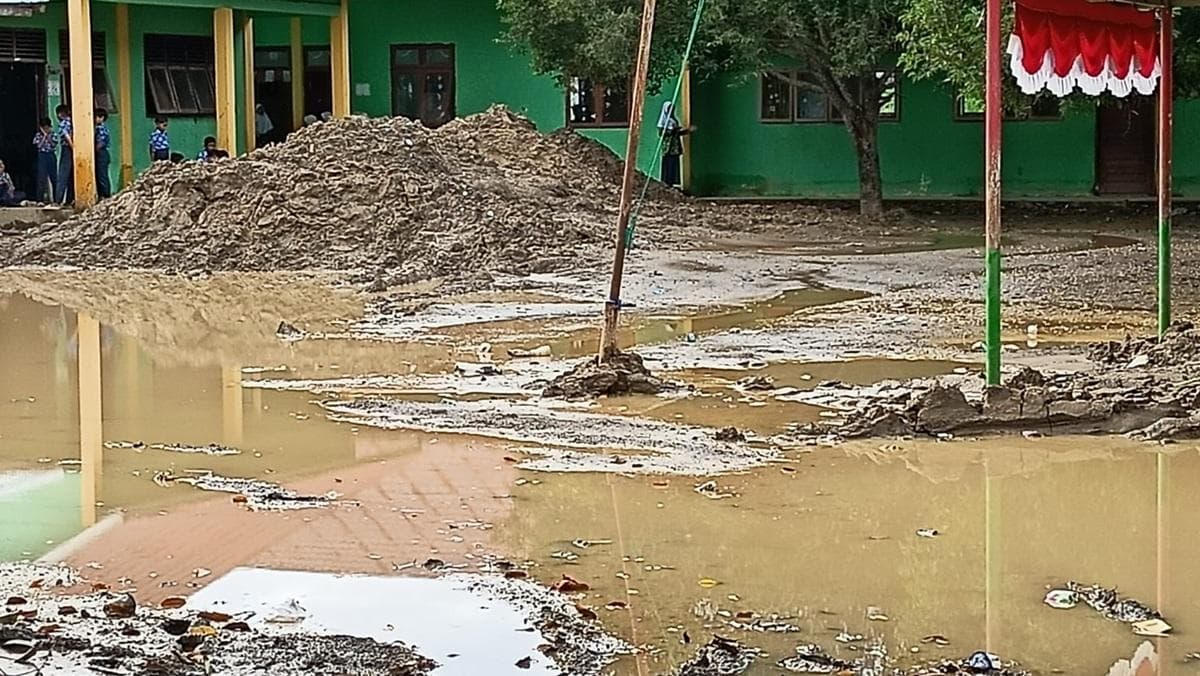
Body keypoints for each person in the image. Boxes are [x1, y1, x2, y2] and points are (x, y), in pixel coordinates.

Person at [657, 101, 691, 188]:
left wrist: (686, 131)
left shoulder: (674, 120)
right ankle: (666, 182)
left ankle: (673, 182)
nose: (671, 111)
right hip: (668, 147)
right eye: (669, 109)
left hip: (674, 147)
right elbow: (661, 133)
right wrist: (671, 130)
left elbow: (677, 133)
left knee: (674, 164)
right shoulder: (663, 121)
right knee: (668, 164)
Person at [32, 117, 56, 203]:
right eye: (44, 128)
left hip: (51, 155)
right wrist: (44, 136)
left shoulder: (53, 134)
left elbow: (53, 144)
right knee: (41, 177)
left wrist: (48, 137)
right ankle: (40, 199)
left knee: (54, 177)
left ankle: (56, 199)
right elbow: (38, 146)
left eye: (47, 127)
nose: (46, 129)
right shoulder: (38, 135)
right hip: (42, 156)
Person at [54, 104, 74, 204]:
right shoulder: (72, 122)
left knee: (63, 175)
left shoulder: (63, 123)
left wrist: (73, 147)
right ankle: (69, 200)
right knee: (71, 176)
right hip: (72, 149)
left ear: (60, 114)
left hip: (67, 149)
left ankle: (58, 200)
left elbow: (66, 135)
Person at [95, 108, 112, 199]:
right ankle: (101, 194)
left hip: (102, 153)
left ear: (102, 118)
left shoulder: (101, 128)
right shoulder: (97, 128)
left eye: (97, 117)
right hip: (101, 153)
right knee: (99, 174)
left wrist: (95, 150)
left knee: (102, 175)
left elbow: (101, 142)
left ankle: (106, 194)